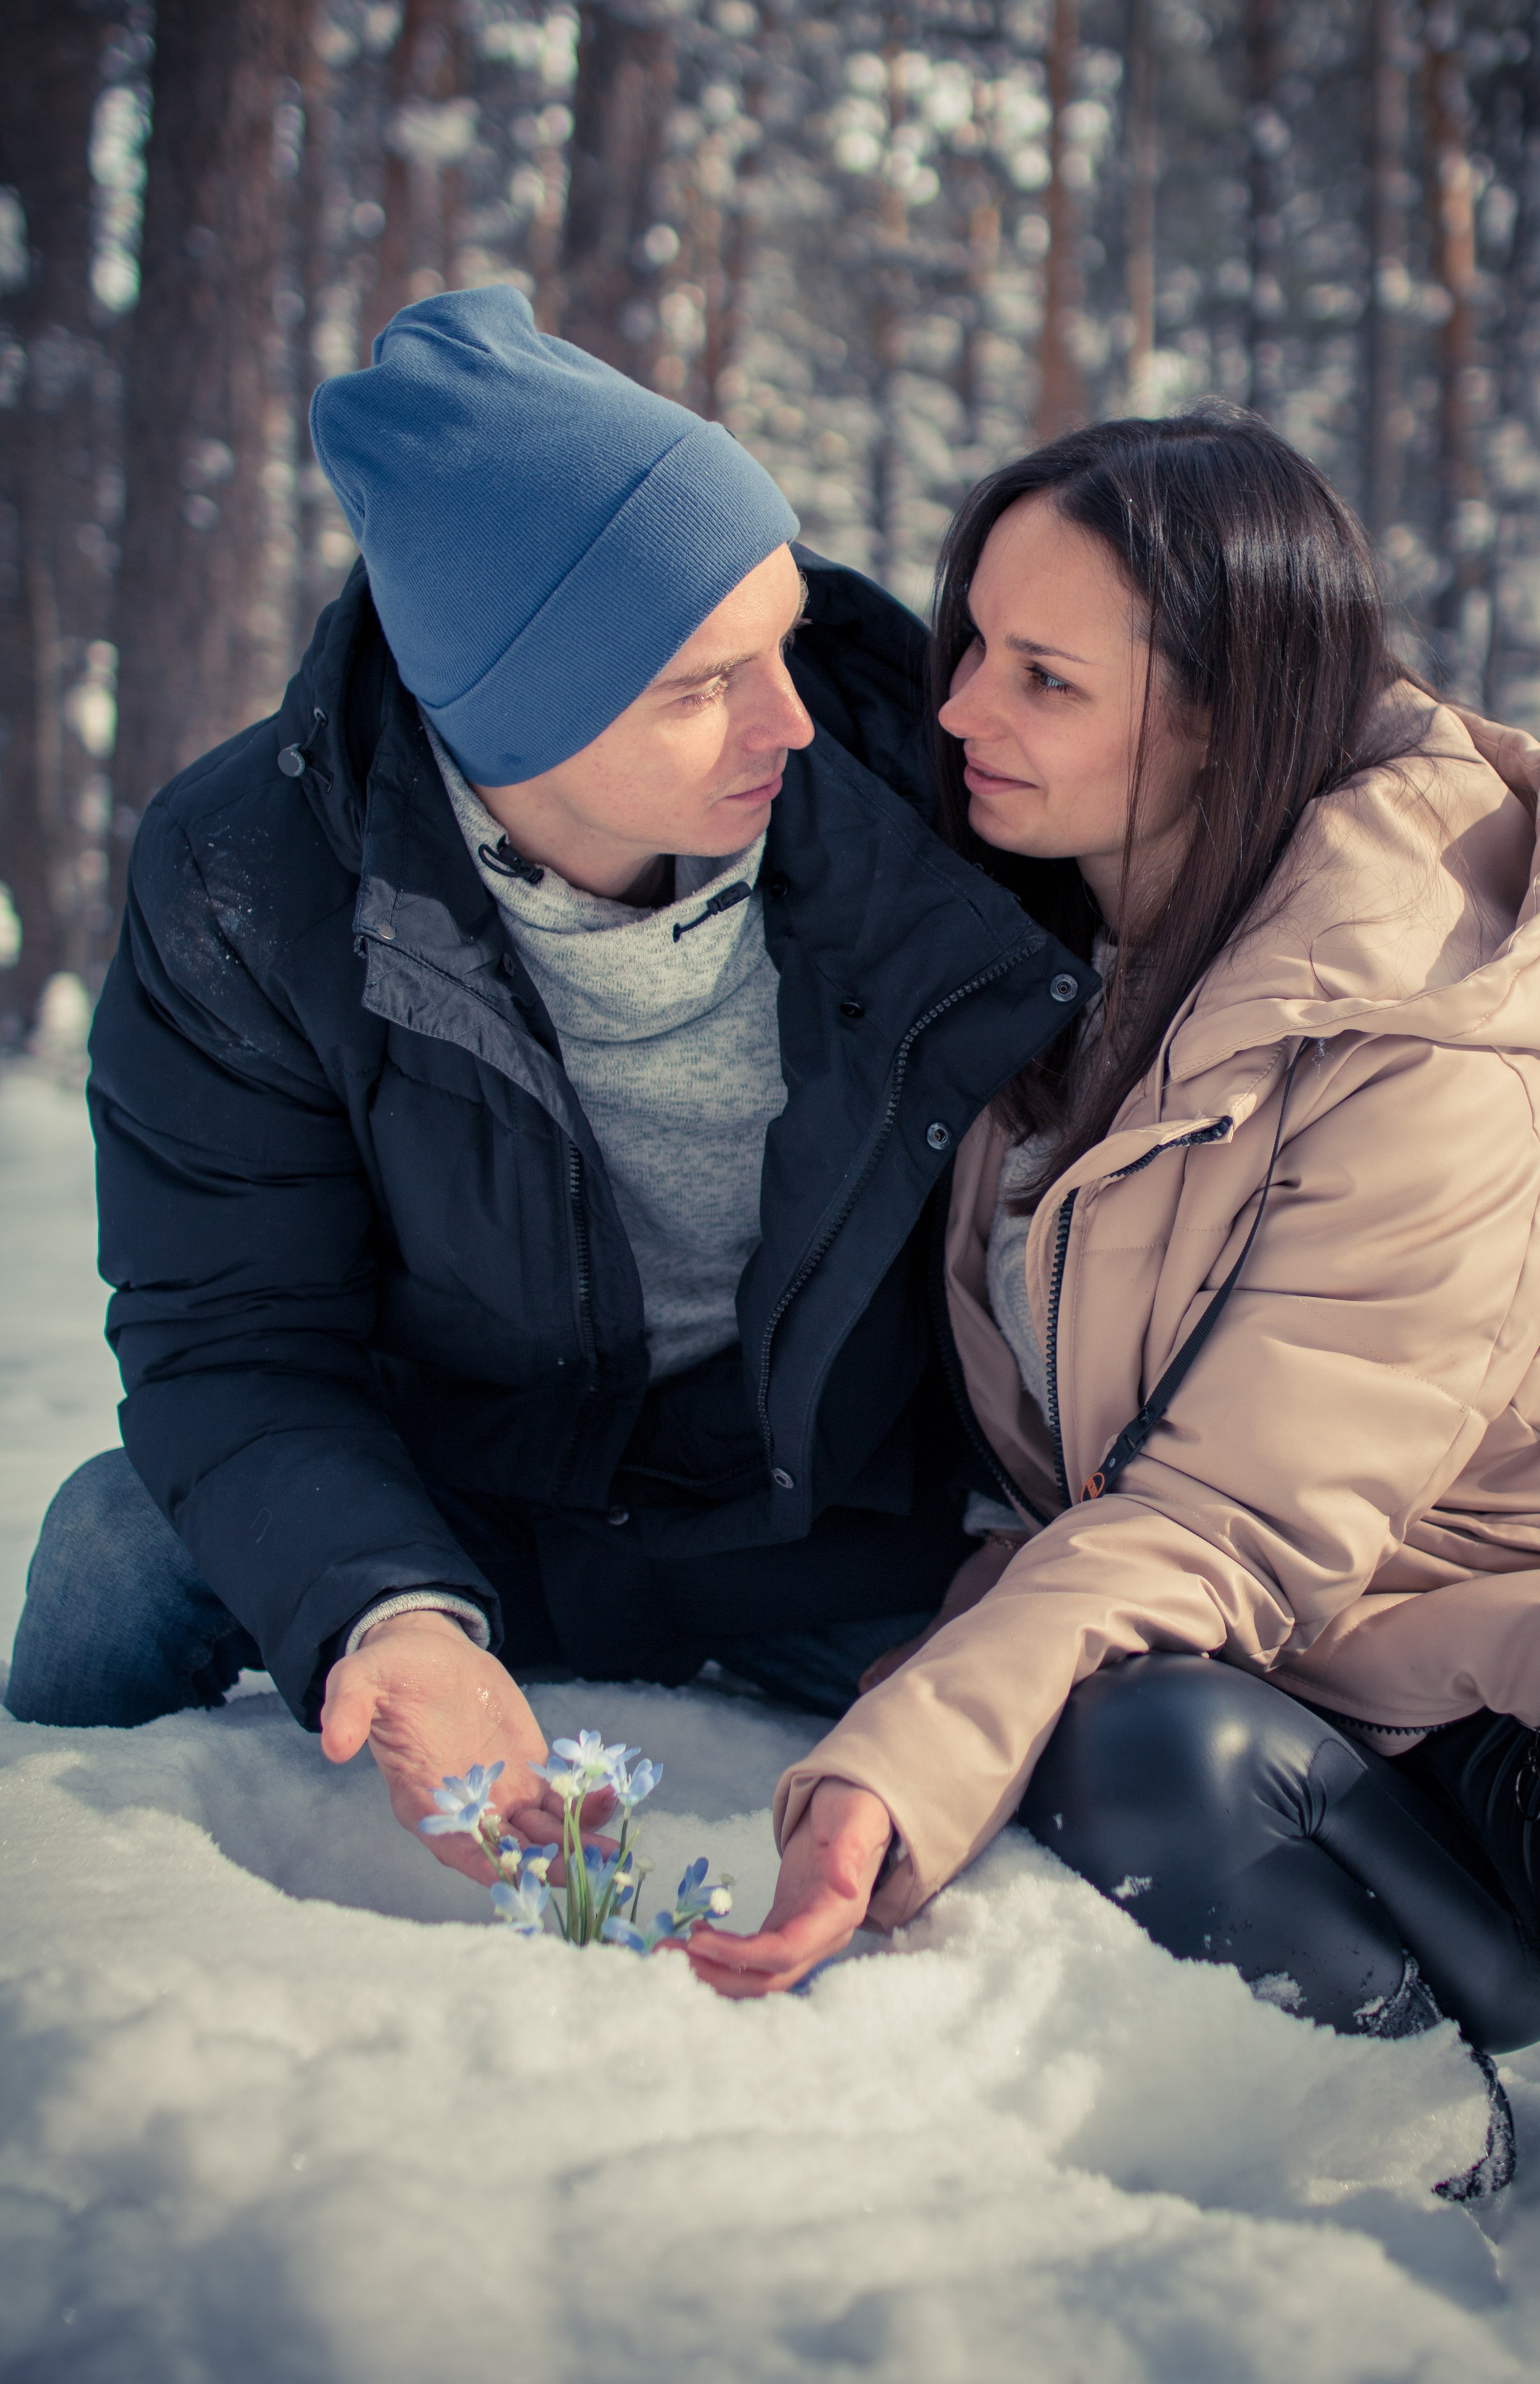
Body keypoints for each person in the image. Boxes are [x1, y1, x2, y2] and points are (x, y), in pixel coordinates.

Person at [690, 411, 1540, 2178]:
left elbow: (1230, 1517)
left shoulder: (1429, 1040)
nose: (963, 715)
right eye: (969, 654)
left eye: (1045, 677)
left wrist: (904, 1758)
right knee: (1136, 1746)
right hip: (1284, 1696)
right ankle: (1402, 2108)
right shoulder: (1040, 972)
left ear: (1223, 710)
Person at [4, 285, 1089, 1883]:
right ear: (505, 715)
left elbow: (1242, 830)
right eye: (697, 684)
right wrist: (396, 1614)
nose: (787, 715)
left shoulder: (932, 783)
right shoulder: (245, 877)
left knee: (1132, 1730)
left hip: (841, 1522)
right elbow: (233, 1331)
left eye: (778, 635)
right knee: (112, 1548)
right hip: (463, 1494)